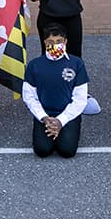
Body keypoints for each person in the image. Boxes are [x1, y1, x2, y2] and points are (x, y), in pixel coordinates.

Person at [22, 23, 89, 158]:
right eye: (51, 42)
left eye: (59, 41)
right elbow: (29, 96)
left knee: (67, 151)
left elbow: (80, 99)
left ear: (65, 42)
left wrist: (60, 121)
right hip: (45, 115)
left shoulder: (77, 63)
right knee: (42, 150)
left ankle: (62, 131)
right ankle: (51, 131)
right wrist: (44, 117)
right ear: (45, 42)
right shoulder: (35, 65)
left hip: (68, 114)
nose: (55, 45)